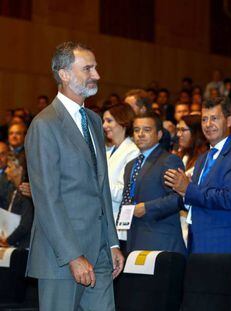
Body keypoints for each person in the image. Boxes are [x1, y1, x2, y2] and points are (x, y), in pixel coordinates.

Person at [25, 41, 124, 310]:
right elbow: (47, 199)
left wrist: (112, 242)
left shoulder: (93, 120)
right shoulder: (44, 125)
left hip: (101, 252)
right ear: (64, 74)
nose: (97, 75)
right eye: (88, 68)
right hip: (63, 258)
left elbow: (100, 188)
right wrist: (72, 256)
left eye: (96, 68)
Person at [164, 97, 231, 254]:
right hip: (197, 242)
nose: (208, 124)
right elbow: (196, 198)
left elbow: (228, 199)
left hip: (223, 245)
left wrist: (188, 188)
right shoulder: (202, 159)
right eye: (204, 119)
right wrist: (183, 191)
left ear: (229, 121)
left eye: (214, 118)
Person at [122, 112, 186, 254]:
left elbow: (178, 198)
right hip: (134, 240)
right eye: (137, 130)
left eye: (147, 130)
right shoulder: (130, 165)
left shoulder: (169, 160)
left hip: (161, 242)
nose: (140, 134)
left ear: (159, 134)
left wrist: (147, 208)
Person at [102, 103, 139, 245]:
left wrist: (97, 181)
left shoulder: (133, 151)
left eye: (109, 121)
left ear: (123, 122)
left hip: (119, 226)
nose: (104, 125)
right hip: (103, 224)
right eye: (104, 121)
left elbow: (124, 193)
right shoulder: (107, 151)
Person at [0, 153, 33, 248]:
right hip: (14, 244)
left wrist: (8, 240)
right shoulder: (13, 191)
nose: (6, 171)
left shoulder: (26, 192)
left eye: (9, 167)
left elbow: (25, 224)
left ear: (20, 169)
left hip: (23, 248)